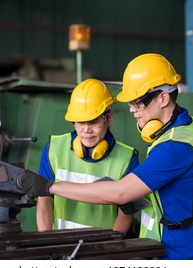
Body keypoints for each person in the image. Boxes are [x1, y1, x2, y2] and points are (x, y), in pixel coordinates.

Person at [25, 53, 193, 260]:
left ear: (163, 98)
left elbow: (121, 193)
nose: (132, 110)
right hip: (180, 245)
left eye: (138, 103)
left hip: (182, 252)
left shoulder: (174, 146)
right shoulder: (188, 126)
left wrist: (50, 186)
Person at [36, 78, 140, 234]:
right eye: (80, 122)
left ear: (109, 118)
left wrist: (109, 248)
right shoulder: (54, 149)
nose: (86, 130)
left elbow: (126, 214)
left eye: (93, 122)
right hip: (61, 247)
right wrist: (46, 243)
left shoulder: (127, 159)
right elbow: (44, 202)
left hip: (101, 251)